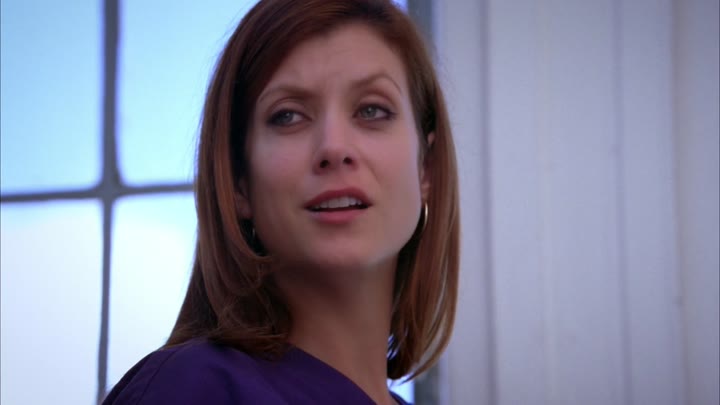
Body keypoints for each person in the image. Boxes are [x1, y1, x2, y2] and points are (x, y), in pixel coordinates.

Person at [103, 0, 459, 403]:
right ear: (239, 184)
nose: (334, 147)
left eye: (371, 110)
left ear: (426, 168)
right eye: (288, 116)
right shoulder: (191, 388)